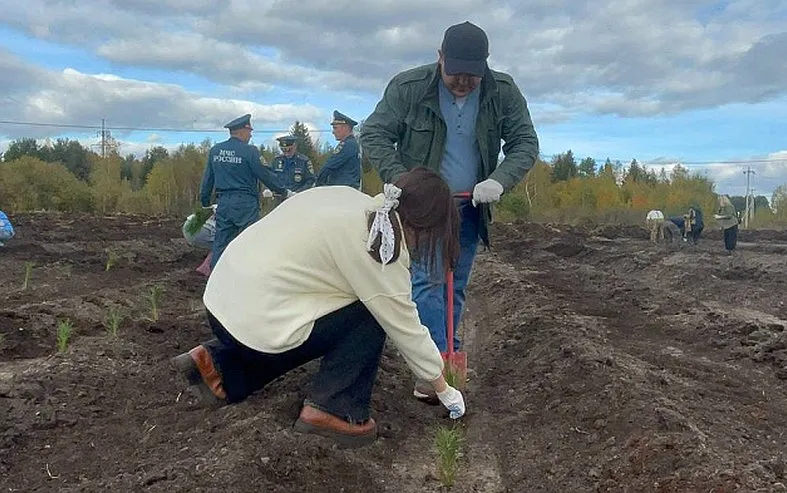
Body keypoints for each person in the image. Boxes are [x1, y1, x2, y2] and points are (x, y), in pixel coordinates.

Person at [171, 167, 467, 449]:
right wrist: (442, 386)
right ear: (424, 225)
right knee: (370, 315)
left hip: (223, 302)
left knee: (309, 316)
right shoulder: (378, 241)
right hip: (258, 320)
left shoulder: (348, 198)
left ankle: (218, 365)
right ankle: (335, 410)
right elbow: (404, 326)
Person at [360, 21, 539, 402]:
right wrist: (398, 177)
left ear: (484, 67)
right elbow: (374, 132)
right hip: (423, 208)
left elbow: (525, 141)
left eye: (472, 76)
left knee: (455, 286)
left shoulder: (502, 91)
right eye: (455, 73)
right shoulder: (408, 88)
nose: (462, 82)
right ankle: (432, 371)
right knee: (426, 282)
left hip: (470, 206)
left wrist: (499, 180)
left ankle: (446, 356)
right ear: (440, 57)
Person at [199, 114, 289, 268]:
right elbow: (264, 174)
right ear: (241, 131)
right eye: (249, 131)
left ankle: (217, 278)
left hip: (224, 202)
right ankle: (247, 276)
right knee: (249, 240)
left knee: (221, 243)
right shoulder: (250, 151)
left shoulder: (216, 151)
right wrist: (283, 191)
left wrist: (205, 201)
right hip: (245, 203)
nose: (251, 135)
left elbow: (208, 178)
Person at [262, 134, 315, 207]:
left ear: (295, 146)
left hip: (298, 200)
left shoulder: (304, 161)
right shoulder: (277, 161)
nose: (286, 152)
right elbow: (271, 177)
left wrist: (297, 193)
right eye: (283, 150)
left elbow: (311, 181)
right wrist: (268, 189)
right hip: (279, 200)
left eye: (289, 150)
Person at [314, 111, 361, 189]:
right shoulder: (354, 144)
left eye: (335, 128)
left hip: (341, 190)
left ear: (345, 127)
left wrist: (318, 185)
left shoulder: (347, 145)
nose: (333, 132)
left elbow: (328, 166)